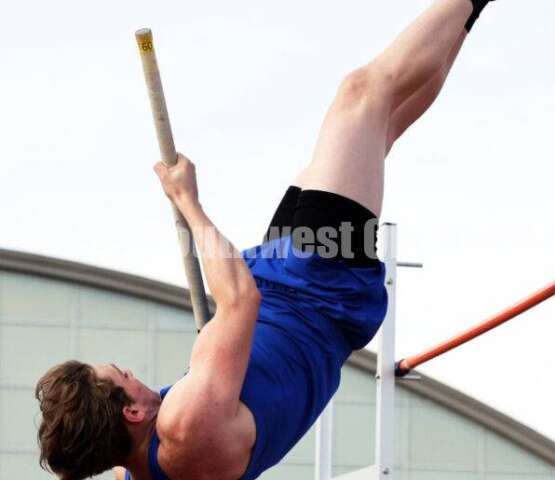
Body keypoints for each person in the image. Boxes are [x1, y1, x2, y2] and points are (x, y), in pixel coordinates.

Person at [34, 1, 496, 478]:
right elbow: (238, 301)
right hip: (319, 285)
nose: (131, 373)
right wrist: (187, 200)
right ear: (131, 412)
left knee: (381, 123)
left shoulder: (142, 462)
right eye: (121, 376)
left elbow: (118, 463)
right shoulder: (185, 425)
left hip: (287, 281)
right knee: (362, 95)